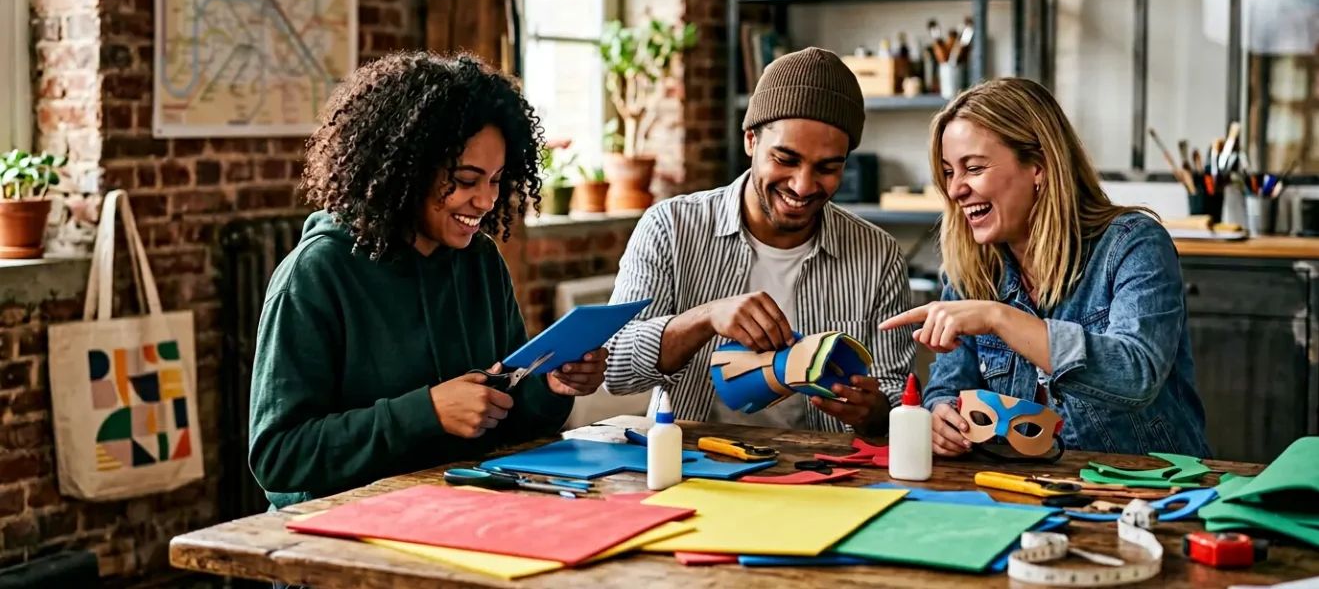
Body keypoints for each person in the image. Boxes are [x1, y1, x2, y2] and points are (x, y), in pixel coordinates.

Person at [247, 51, 608, 512]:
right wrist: (427, 413)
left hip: (458, 513)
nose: (485, 199)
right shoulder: (315, 275)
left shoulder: (480, 262)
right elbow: (279, 455)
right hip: (339, 536)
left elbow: (508, 415)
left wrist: (551, 387)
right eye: (465, 179)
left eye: (497, 180)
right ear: (407, 166)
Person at [879, 77, 1211, 458]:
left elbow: (1136, 375)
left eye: (973, 168)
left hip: (1153, 490)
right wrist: (940, 416)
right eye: (949, 172)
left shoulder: (1134, 244)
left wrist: (999, 318)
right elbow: (948, 387)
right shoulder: (973, 270)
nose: (955, 190)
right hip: (1028, 487)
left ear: (1039, 166)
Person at [604, 47, 916, 436]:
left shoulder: (878, 255)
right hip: (686, 464)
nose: (803, 186)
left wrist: (871, 411)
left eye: (827, 168)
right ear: (751, 140)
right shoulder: (670, 226)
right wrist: (706, 318)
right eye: (785, 159)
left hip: (824, 476)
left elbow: (894, 396)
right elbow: (613, 367)